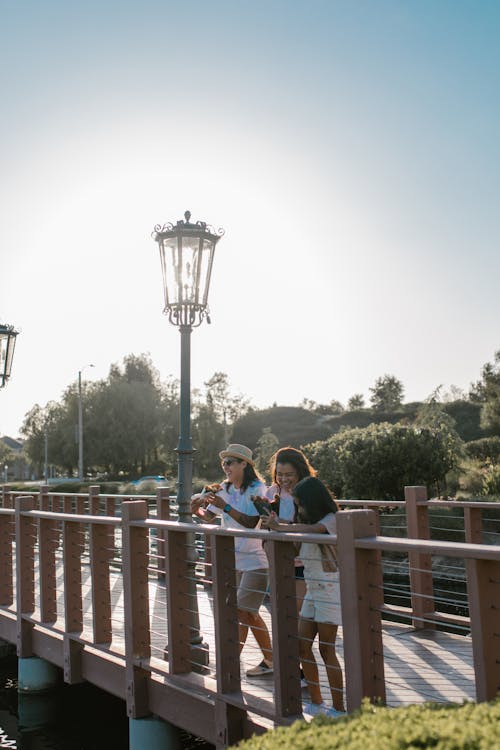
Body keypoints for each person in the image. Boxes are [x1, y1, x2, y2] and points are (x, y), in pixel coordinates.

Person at [262, 476, 345, 717]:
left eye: (301, 504)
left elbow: (312, 532)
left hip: (330, 588)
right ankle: (317, 702)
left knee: (326, 649)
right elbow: (296, 545)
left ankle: (339, 708)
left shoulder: (331, 520)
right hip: (312, 588)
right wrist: (272, 529)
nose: (299, 509)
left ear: (314, 501)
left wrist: (282, 527)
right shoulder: (305, 520)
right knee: (302, 646)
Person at [190, 444, 274, 677]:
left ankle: (228, 665)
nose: (225, 467)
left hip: (257, 560)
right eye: (223, 463)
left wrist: (224, 506)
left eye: (229, 462)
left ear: (244, 464)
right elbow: (208, 518)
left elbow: (251, 522)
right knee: (246, 613)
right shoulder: (225, 489)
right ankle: (270, 658)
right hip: (233, 560)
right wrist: (195, 509)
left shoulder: (258, 489)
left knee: (241, 611)